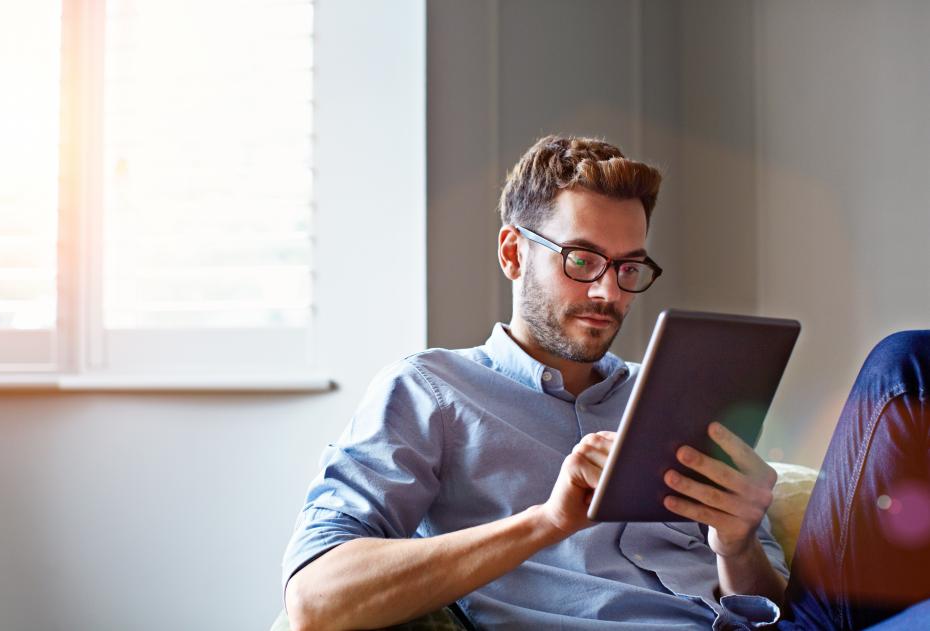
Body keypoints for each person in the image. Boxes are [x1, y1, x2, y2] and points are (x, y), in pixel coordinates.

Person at [281, 135, 930, 630]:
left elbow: (779, 602)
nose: (606, 291)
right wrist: (546, 521)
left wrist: (735, 543)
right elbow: (315, 600)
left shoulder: (679, 390)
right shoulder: (431, 389)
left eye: (628, 268)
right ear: (513, 252)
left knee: (910, 363)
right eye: (581, 259)